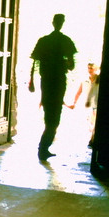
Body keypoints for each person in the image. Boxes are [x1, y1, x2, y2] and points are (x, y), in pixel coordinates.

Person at [29, 14, 77, 161]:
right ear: (61, 23)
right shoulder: (65, 41)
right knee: (54, 117)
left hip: (47, 81)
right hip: (58, 81)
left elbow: (34, 63)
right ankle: (44, 147)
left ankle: (44, 147)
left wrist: (31, 81)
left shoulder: (44, 41)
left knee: (49, 113)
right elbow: (71, 66)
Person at [67, 62, 100, 147]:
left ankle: (92, 141)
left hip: (96, 105)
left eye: (91, 68)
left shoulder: (99, 79)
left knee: (94, 124)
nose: (90, 70)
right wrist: (74, 103)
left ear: (95, 69)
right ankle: (92, 139)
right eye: (88, 68)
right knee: (90, 124)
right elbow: (78, 93)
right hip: (87, 106)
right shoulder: (84, 80)